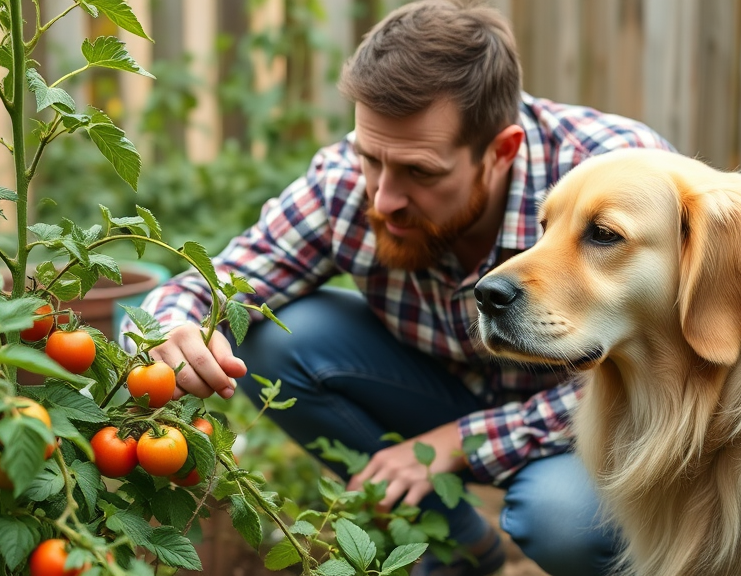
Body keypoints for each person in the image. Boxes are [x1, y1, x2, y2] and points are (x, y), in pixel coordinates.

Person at [127, 1, 673, 574]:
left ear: (501, 151)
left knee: (561, 521)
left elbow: (669, 366)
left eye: (421, 171)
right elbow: (231, 277)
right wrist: (173, 323)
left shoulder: (619, 181)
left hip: (593, 425)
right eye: (371, 158)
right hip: (441, 390)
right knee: (275, 336)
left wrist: (457, 442)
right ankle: (457, 546)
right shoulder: (347, 185)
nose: (383, 199)